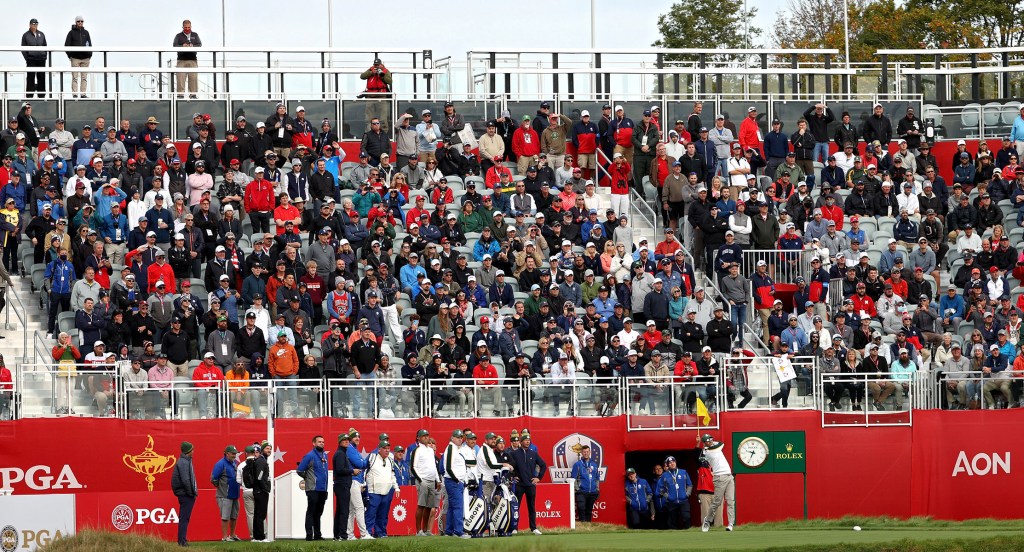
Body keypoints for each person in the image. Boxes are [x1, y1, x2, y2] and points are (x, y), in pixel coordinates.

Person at [508, 430, 547, 535]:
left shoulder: (533, 454)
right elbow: (509, 467)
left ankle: (533, 528)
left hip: (530, 485)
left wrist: (538, 478)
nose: (527, 442)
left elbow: (543, 465)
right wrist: (512, 476)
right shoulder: (514, 454)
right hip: (519, 485)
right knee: (516, 507)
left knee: (532, 507)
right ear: (521, 441)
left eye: (529, 440)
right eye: (525, 440)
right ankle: (514, 528)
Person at [699, 433, 736, 532]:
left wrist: (710, 441)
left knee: (730, 501)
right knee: (717, 502)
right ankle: (707, 521)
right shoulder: (708, 451)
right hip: (719, 478)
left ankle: (730, 524)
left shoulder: (713, 447)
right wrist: (709, 443)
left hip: (729, 476)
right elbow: (721, 444)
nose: (710, 441)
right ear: (704, 443)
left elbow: (720, 443)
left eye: (711, 439)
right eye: (708, 440)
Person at [296, 435, 329, 541]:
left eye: (323, 442)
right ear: (314, 443)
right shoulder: (309, 456)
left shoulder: (325, 455)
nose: (321, 443)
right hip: (313, 489)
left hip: (322, 489)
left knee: (318, 513)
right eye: (319, 442)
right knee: (311, 511)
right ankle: (309, 535)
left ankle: (318, 535)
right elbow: (300, 470)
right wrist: (309, 478)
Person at [365, 440, 400, 538]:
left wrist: (396, 487)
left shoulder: (390, 460)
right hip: (374, 491)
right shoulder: (373, 457)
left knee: (383, 514)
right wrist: (363, 483)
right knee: (371, 513)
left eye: (388, 448)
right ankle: (367, 532)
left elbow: (392, 474)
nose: (387, 450)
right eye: (384, 448)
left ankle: (380, 533)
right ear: (379, 449)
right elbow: (365, 470)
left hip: (386, 491)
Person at [411, 429, 441, 536]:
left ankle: (425, 530)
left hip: (432, 480)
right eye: (423, 436)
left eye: (427, 435)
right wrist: (420, 480)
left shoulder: (430, 450)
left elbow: (434, 467)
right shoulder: (417, 450)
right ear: (418, 438)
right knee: (421, 505)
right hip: (423, 480)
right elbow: (413, 467)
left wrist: (438, 480)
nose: (426, 437)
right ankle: (418, 530)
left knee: (429, 506)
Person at [442, 429, 471, 538]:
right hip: (453, 481)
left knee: (452, 507)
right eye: (458, 437)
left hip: (455, 481)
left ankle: (449, 531)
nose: (460, 439)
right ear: (452, 438)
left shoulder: (456, 449)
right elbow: (448, 467)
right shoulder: (450, 448)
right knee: (458, 506)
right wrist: (457, 479)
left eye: (461, 437)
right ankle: (459, 531)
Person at [211, 444, 241, 542]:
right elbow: (213, 478)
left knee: (234, 516)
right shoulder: (220, 464)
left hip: (235, 494)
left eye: (235, 454)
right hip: (224, 495)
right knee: (225, 516)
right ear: (227, 454)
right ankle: (224, 537)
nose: (234, 455)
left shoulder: (234, 463)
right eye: (233, 453)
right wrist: (222, 487)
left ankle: (232, 535)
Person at [171, 441, 198, 547]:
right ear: (188, 451)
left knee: (184, 518)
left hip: (185, 493)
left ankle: (182, 540)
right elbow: (186, 480)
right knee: (184, 518)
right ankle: (182, 542)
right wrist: (191, 493)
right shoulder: (183, 462)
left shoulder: (186, 461)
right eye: (192, 450)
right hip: (185, 494)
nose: (194, 451)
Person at [656, 455, 692, 529]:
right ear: (668, 465)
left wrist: (687, 494)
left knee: (687, 517)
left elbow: (689, 484)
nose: (672, 464)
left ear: (676, 463)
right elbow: (660, 489)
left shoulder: (683, 472)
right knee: (673, 521)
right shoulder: (664, 475)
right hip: (671, 502)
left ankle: (688, 534)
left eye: (673, 462)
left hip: (683, 500)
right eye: (670, 463)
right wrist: (668, 497)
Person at [332, 432, 355, 541]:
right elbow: (340, 470)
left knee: (340, 510)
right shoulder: (340, 454)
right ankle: (342, 535)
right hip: (342, 485)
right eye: (345, 440)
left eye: (348, 440)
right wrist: (352, 471)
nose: (347, 441)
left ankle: (337, 535)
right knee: (344, 511)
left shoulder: (341, 453)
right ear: (340, 442)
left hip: (341, 485)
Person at [64, 16, 92, 97]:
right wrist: (70, 55)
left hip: (85, 58)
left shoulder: (86, 32)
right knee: (75, 77)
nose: (80, 22)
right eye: (78, 21)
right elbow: (66, 45)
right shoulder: (71, 33)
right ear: (76, 22)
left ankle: (83, 94)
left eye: (82, 21)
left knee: (84, 77)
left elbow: (90, 44)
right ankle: (75, 94)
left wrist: (89, 55)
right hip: (75, 58)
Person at [571, 444, 601, 522]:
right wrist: (577, 489)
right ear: (581, 452)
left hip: (592, 491)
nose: (586, 453)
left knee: (589, 510)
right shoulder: (577, 464)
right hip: (581, 491)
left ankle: (588, 527)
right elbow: (573, 478)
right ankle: (582, 525)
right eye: (584, 452)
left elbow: (597, 478)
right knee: (581, 508)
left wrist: (597, 489)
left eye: (587, 452)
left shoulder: (594, 464)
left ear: (590, 452)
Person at [173, 20, 202, 98]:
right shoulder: (178, 36)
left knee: (193, 77)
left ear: (191, 27)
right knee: (180, 78)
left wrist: (193, 46)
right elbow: (175, 45)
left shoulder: (195, 35)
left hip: (192, 59)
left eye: (188, 27)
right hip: (181, 60)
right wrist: (183, 46)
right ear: (182, 27)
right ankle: (180, 95)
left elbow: (199, 45)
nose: (187, 29)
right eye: (185, 27)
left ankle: (193, 94)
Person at [21, 19, 47, 98]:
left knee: (41, 77)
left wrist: (44, 56)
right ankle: (29, 96)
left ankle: (42, 96)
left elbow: (45, 46)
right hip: (31, 59)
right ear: (30, 24)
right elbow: (23, 48)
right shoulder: (26, 35)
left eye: (36, 23)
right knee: (30, 77)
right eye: (33, 23)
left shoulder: (41, 34)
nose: (35, 25)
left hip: (41, 59)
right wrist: (28, 58)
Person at [251, 442, 272, 543]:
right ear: (262, 449)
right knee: (260, 514)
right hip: (260, 491)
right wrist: (265, 488)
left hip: (259, 490)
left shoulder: (262, 460)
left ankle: (256, 537)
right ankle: (260, 537)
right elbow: (259, 477)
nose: (269, 450)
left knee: (258, 514)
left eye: (270, 449)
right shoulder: (261, 461)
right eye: (267, 448)